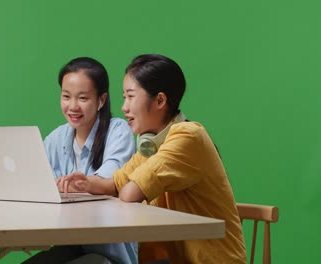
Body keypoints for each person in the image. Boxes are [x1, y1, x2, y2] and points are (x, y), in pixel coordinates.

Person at [57, 54, 247, 263]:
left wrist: (119, 185)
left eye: (131, 96)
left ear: (159, 100)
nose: (124, 107)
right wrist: (84, 183)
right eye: (124, 97)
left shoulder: (187, 137)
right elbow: (114, 183)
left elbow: (129, 193)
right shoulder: (153, 142)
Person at [24, 57, 137, 264]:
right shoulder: (56, 138)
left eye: (83, 98)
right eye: (66, 96)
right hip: (71, 245)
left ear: (101, 100)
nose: (73, 106)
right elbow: (37, 183)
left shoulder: (118, 130)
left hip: (108, 253)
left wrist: (84, 183)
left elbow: (111, 178)